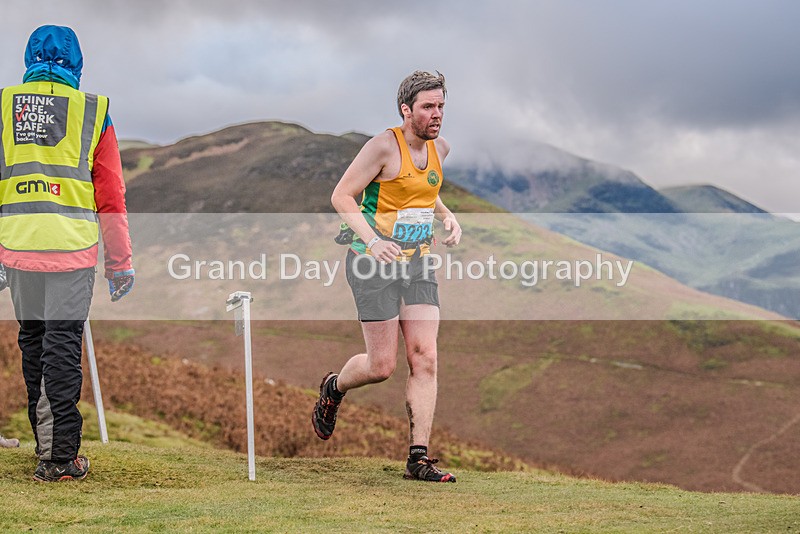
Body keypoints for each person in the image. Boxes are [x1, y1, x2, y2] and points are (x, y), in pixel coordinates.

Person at [313, 70, 461, 482]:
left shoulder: (440, 149)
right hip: (371, 262)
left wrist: (448, 217)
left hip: (418, 262)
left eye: (441, 107)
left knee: (425, 356)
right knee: (381, 366)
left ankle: (419, 458)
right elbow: (341, 196)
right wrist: (373, 241)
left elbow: (424, 192)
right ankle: (334, 388)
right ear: (406, 110)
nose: (437, 115)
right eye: (429, 107)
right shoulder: (382, 147)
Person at [0, 25, 134, 482]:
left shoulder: (3, 106)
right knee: (61, 345)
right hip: (72, 250)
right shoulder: (93, 111)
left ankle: (48, 442)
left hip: (17, 245)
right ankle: (59, 458)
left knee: (34, 341)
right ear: (77, 63)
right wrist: (119, 263)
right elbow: (111, 195)